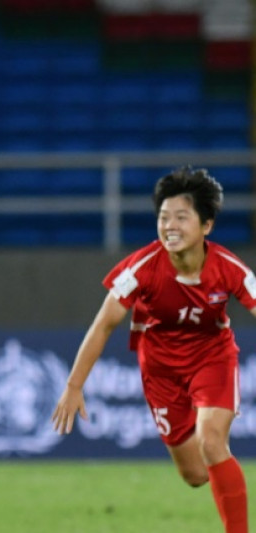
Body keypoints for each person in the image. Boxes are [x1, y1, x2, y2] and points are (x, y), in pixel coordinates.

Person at [52, 167, 250, 533]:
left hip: (213, 359)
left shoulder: (228, 268)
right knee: (195, 474)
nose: (170, 226)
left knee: (212, 442)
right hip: (160, 371)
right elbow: (103, 324)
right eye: (163, 217)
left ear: (206, 225)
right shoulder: (142, 269)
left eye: (181, 217)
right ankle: (223, 476)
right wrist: (74, 386)